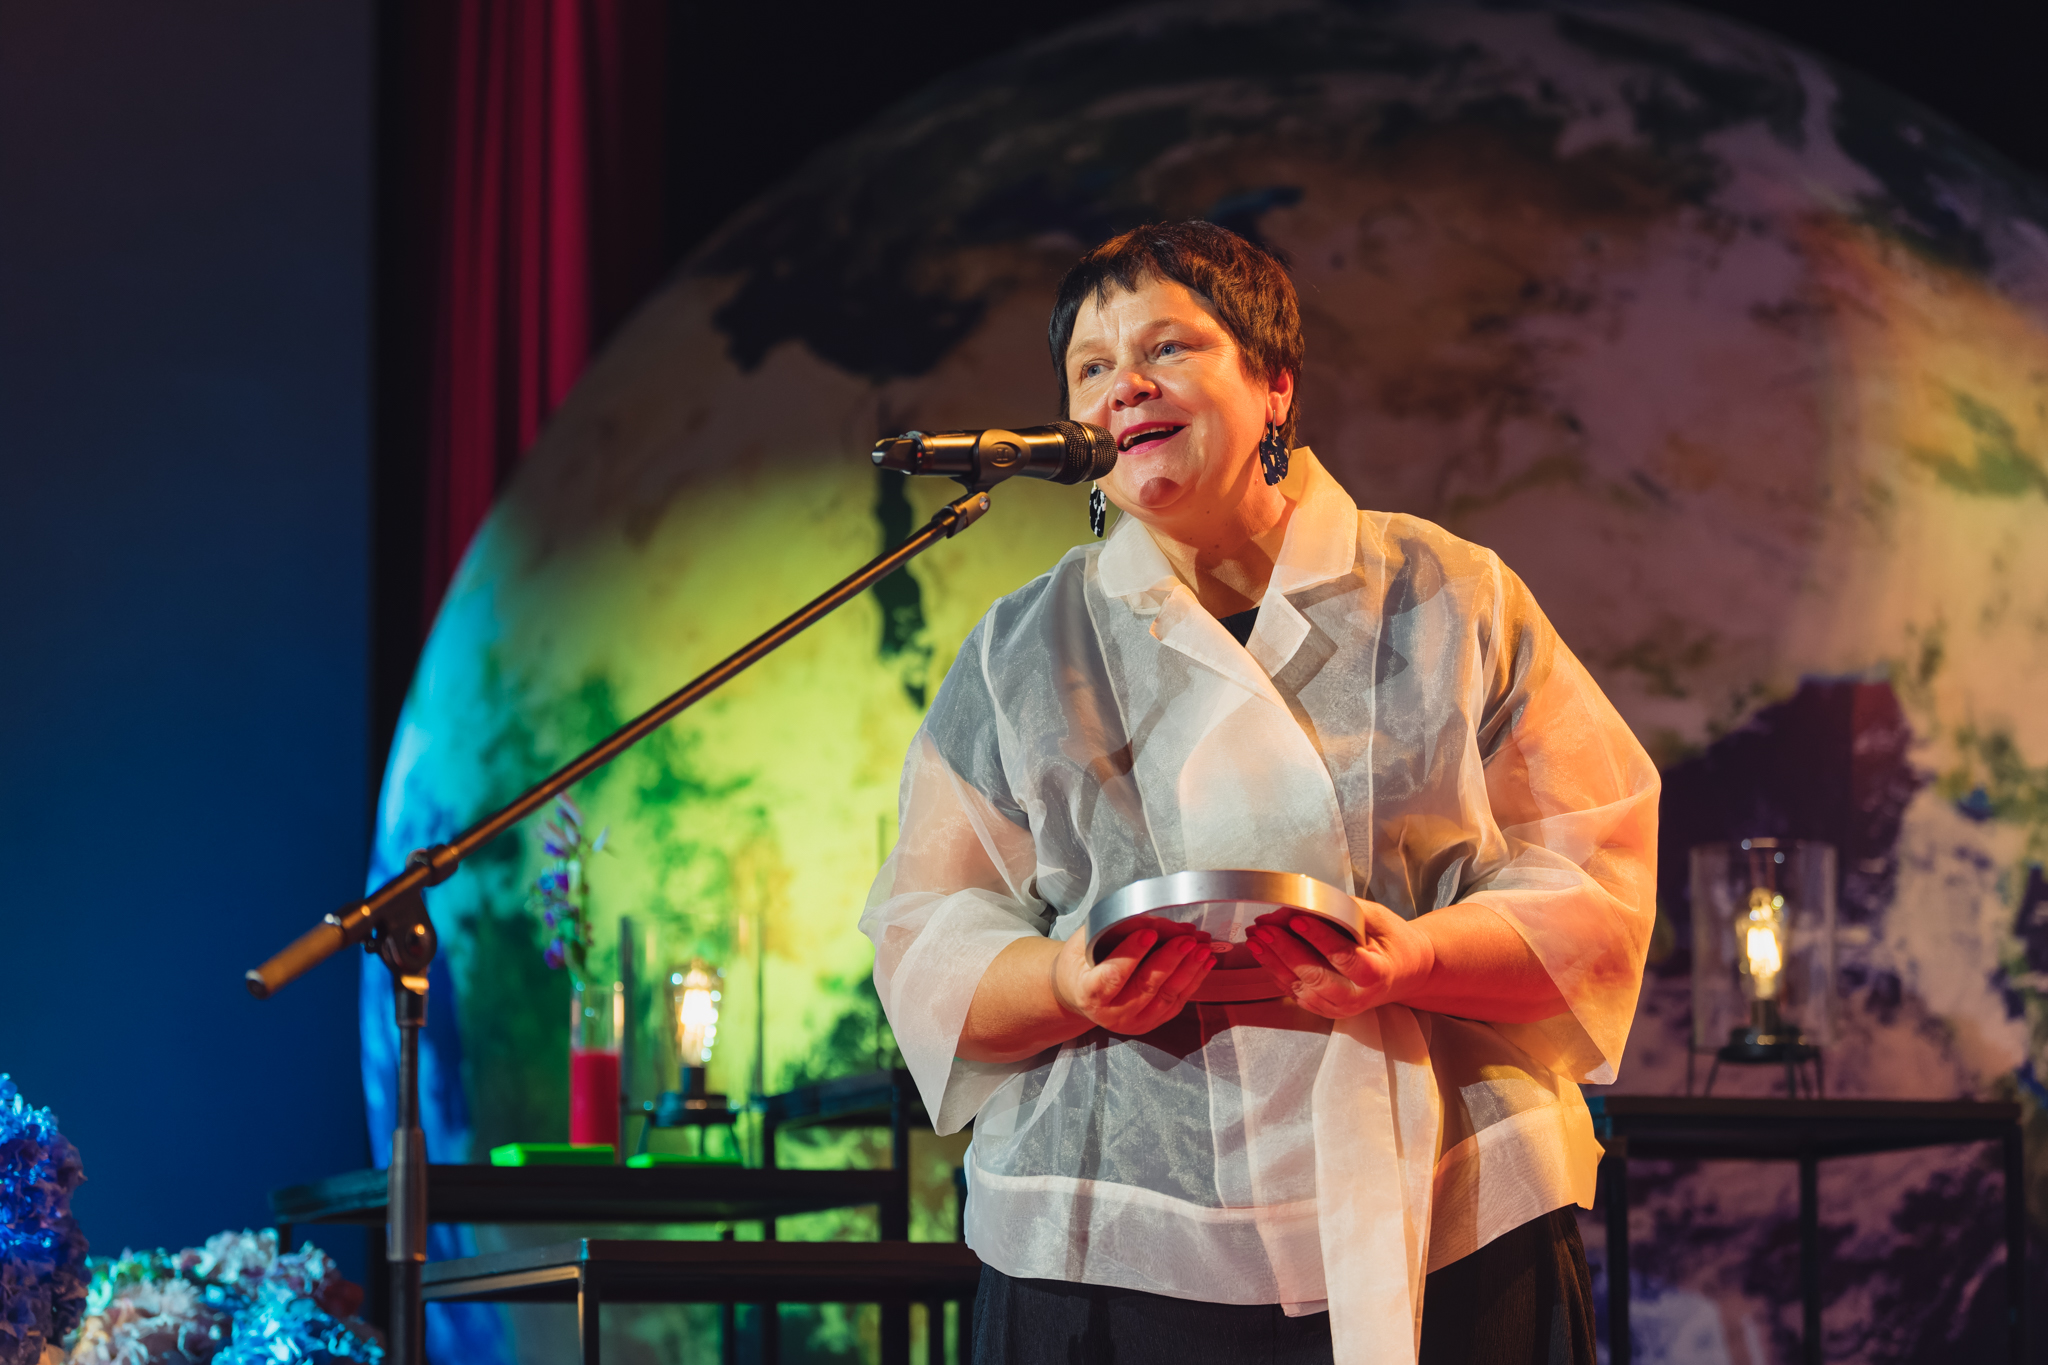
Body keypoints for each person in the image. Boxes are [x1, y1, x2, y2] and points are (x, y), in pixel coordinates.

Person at [859, 221, 1658, 1365]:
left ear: (1274, 384)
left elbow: (1590, 885)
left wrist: (1413, 959)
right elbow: (926, 938)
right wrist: (1070, 982)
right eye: (1091, 368)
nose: (1125, 385)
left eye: (1167, 348)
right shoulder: (1022, 649)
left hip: (1447, 1211)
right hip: (1109, 1235)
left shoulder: (1445, 594)